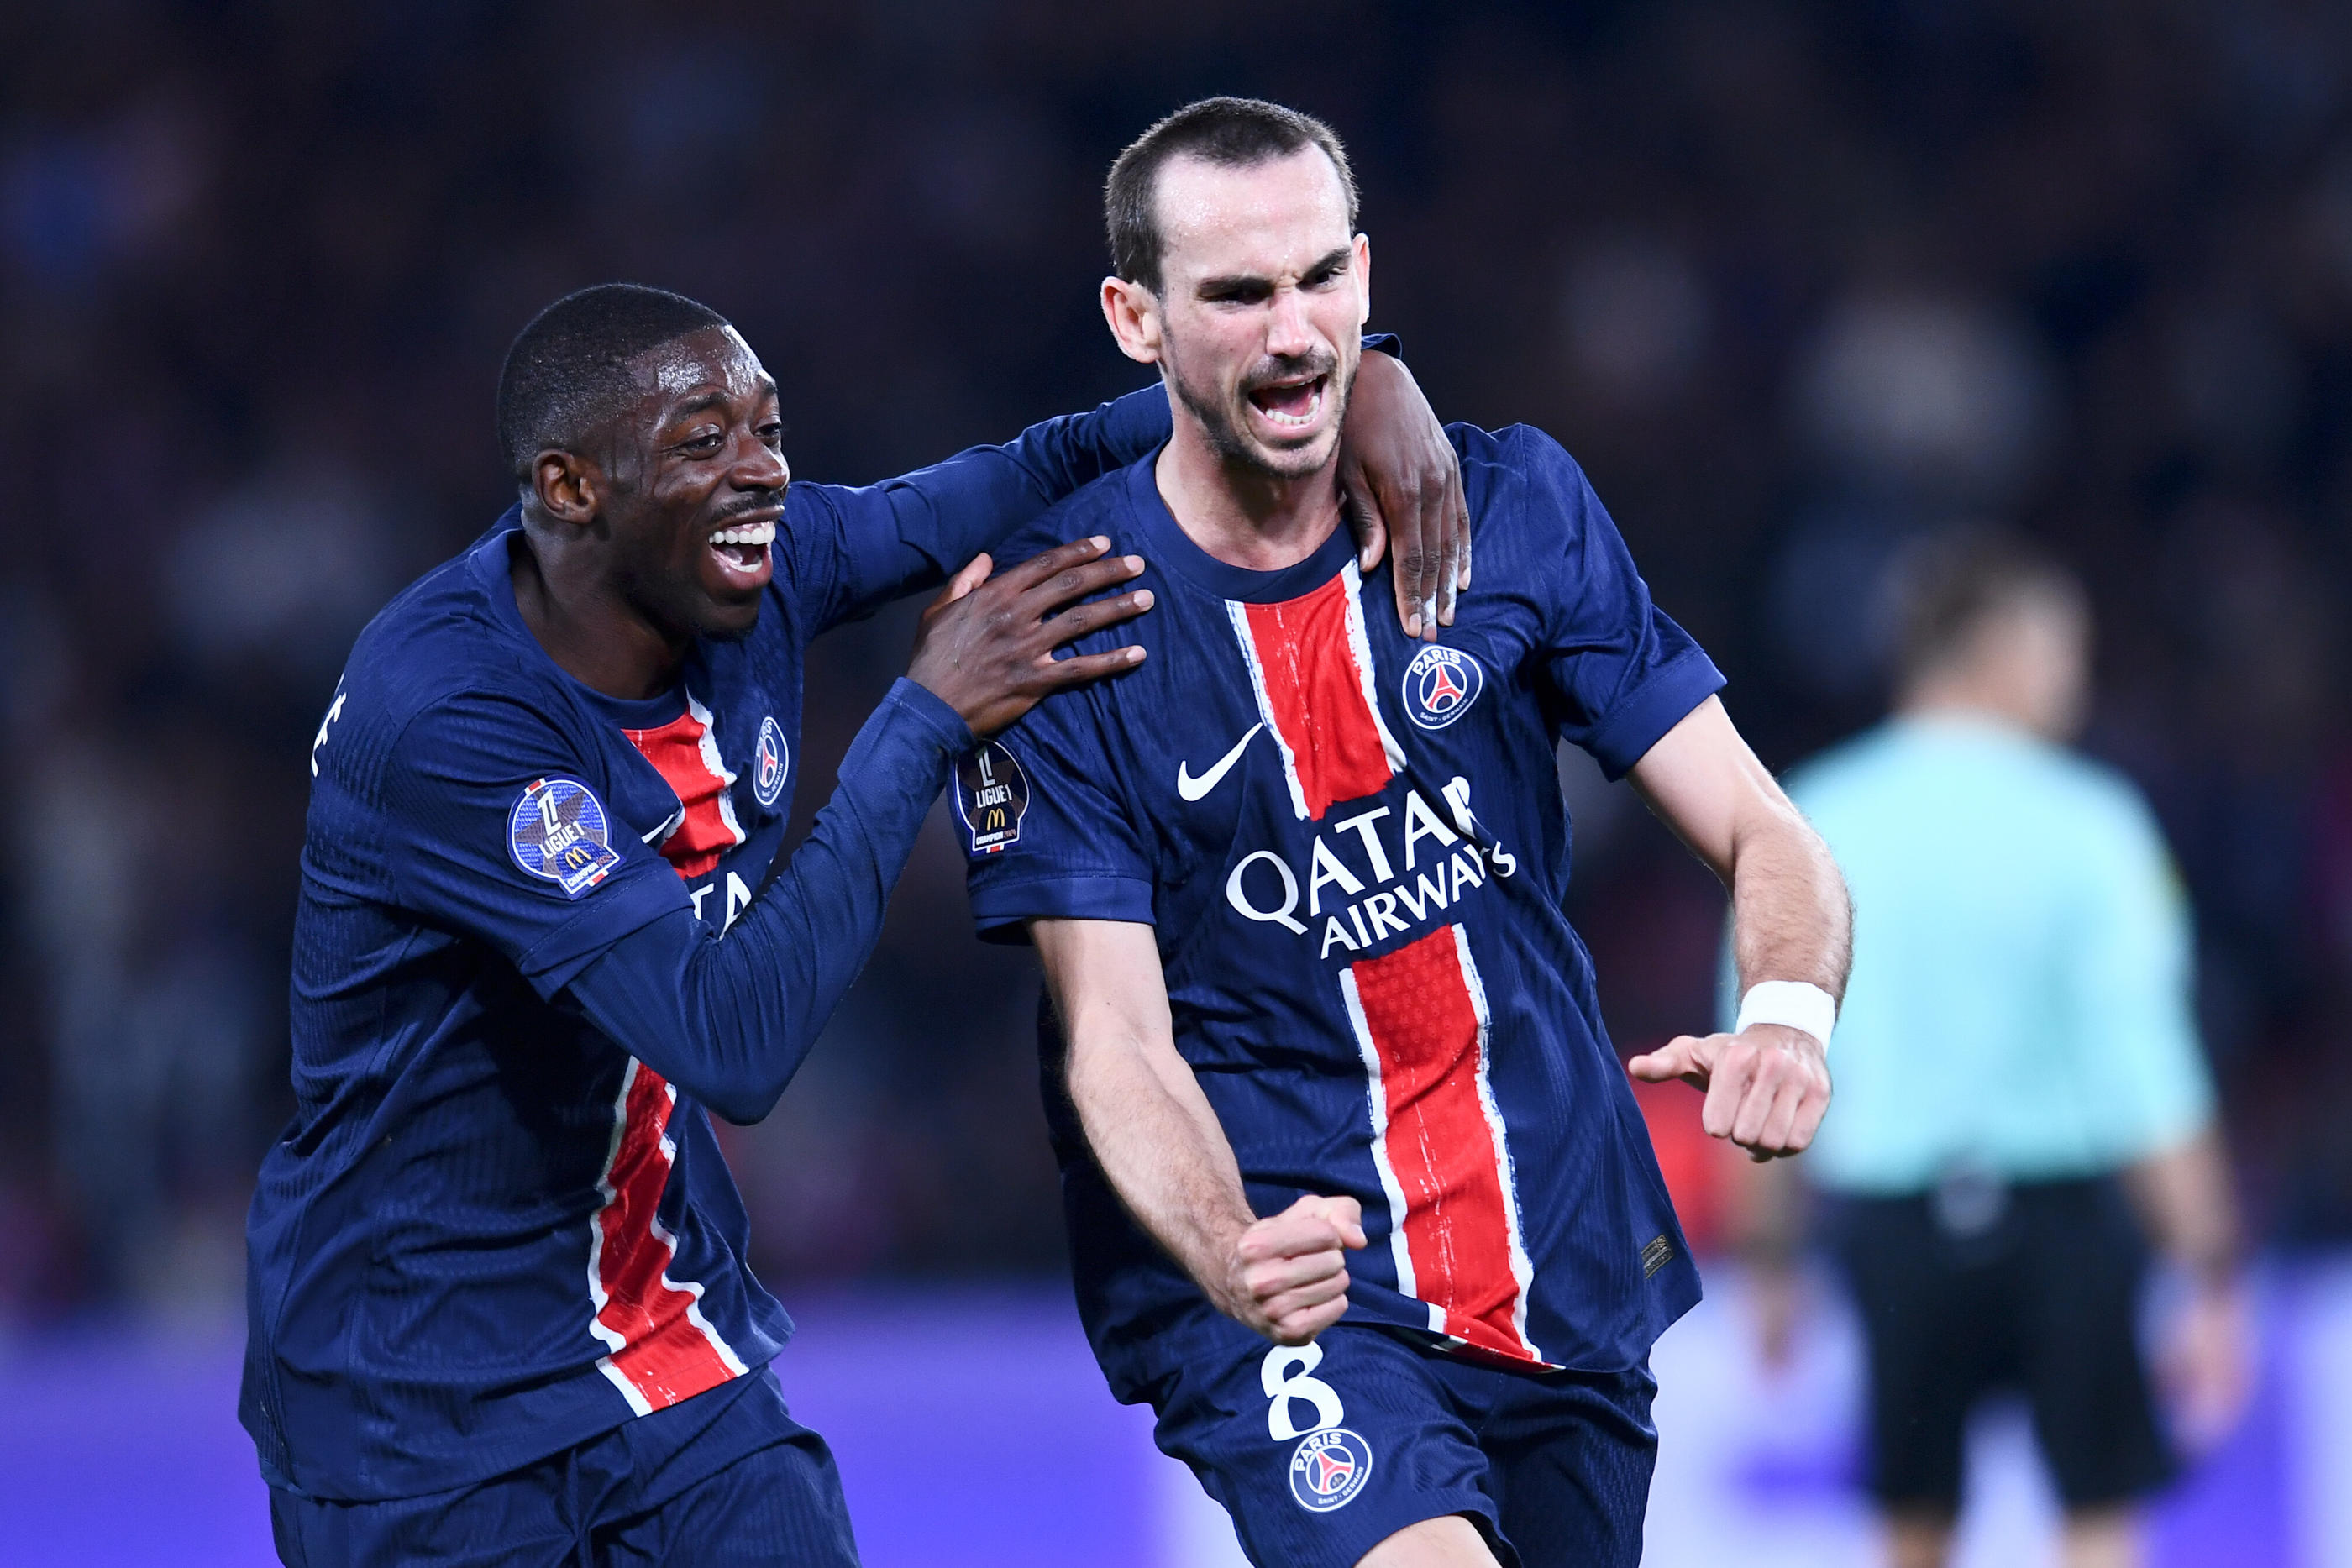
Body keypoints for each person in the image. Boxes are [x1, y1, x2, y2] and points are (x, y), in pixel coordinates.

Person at [240, 281, 1465, 1565]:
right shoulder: (452, 716)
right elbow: (730, 1042)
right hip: (415, 1402)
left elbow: (1025, 467)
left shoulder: (765, 569)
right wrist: (923, 718)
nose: (759, 473)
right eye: (702, 443)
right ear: (568, 488)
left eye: (768, 429)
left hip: (666, 1351)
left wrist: (1339, 377)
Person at [958, 98, 1850, 1568]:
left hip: (1554, 1254)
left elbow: (1764, 832)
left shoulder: (1514, 510)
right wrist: (1228, 1245)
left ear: (1367, 276)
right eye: (1237, 295)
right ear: (1137, 317)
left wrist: (1789, 1014)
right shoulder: (1066, 632)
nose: (1294, 333)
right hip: (1290, 1281)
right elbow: (1111, 1036)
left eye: (1320, 280)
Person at [1748, 528, 2248, 1568]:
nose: (2074, 675)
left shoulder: (1811, 818)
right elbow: (2147, 1068)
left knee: (1913, 1532)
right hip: (2065, 1219)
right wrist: (2206, 1268)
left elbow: (1763, 1056)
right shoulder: (2093, 824)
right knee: (2099, 1521)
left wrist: (1770, 1259)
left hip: (1893, 1229)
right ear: (1996, 651)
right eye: (2061, 647)